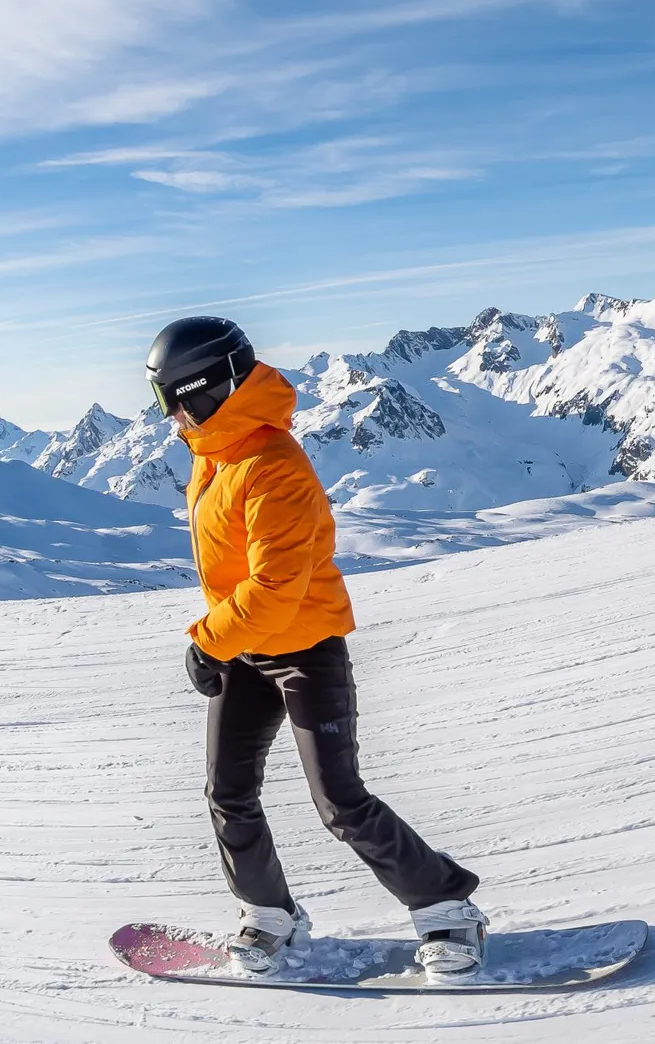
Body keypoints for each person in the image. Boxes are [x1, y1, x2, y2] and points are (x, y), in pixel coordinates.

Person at [147, 316, 488, 977]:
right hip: (245, 648)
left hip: (304, 647)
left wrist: (209, 641)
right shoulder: (216, 455)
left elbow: (276, 588)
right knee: (228, 790)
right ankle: (270, 915)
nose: (168, 417)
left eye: (171, 399)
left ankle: (448, 909)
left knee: (340, 800)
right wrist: (225, 641)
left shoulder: (272, 465)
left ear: (208, 388)